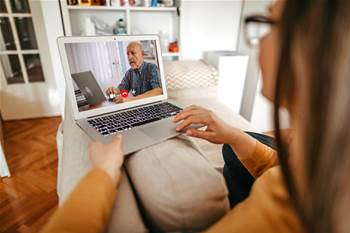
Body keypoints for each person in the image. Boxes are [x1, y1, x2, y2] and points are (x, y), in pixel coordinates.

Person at [41, 1, 350, 233]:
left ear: (312, 49)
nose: (131, 59)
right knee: (233, 147)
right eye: (128, 56)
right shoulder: (316, 158)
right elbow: (282, 169)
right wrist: (234, 135)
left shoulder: (290, 209)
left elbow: (154, 91)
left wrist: (104, 173)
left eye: (268, 23)